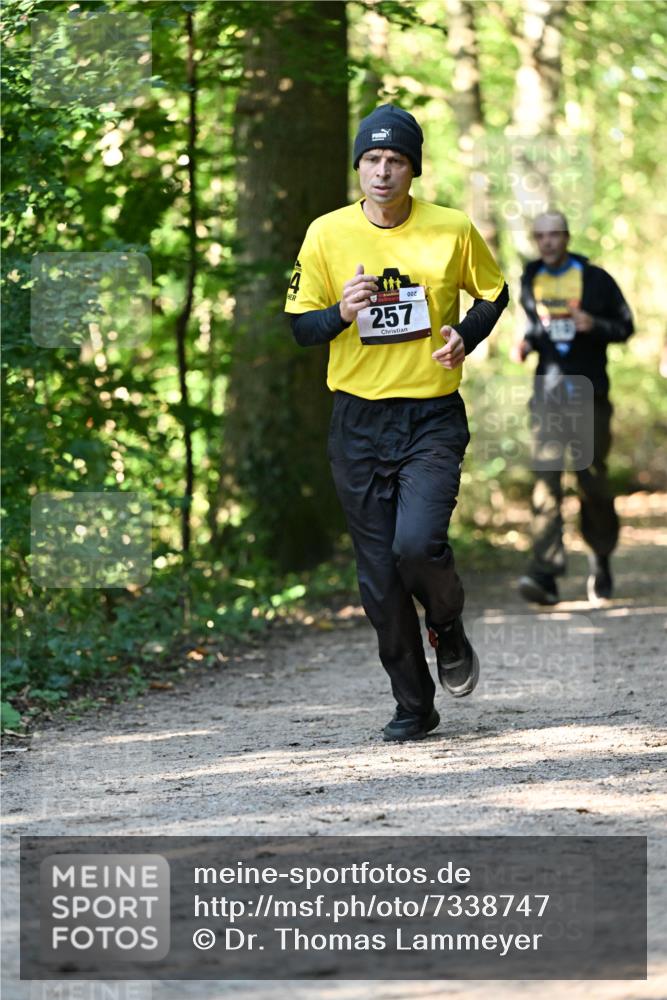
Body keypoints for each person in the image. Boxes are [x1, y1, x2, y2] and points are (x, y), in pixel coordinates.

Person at [284, 105, 508, 742]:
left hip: (431, 415)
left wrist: (465, 335)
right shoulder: (325, 235)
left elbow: (494, 292)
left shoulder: (452, 228)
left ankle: (448, 626)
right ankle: (414, 704)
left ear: (413, 169)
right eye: (372, 160)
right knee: (379, 575)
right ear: (358, 166)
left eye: (396, 161)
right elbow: (300, 327)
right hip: (356, 420)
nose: (382, 172)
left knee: (417, 546)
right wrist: (340, 313)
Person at [514, 210, 634, 606]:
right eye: (540, 236)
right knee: (546, 483)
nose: (547, 242)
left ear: (567, 237)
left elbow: (625, 326)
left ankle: (600, 556)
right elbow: (537, 326)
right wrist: (527, 343)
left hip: (589, 392)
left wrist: (593, 324)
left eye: (554, 235)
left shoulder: (596, 279)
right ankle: (545, 574)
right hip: (547, 392)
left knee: (592, 480)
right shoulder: (530, 279)